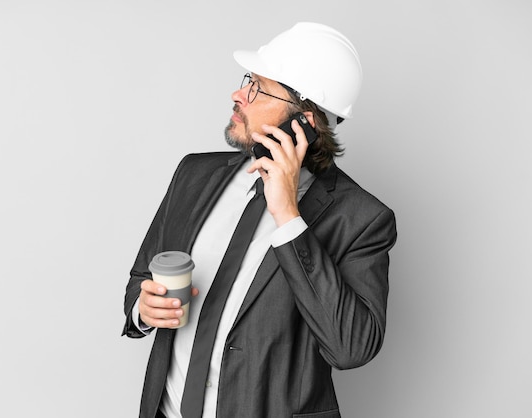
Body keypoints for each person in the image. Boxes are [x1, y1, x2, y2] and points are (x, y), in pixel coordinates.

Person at [122, 22, 397, 418]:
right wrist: (143, 310)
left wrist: (287, 214)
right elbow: (140, 278)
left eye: (257, 89)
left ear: (304, 121)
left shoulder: (361, 220)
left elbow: (350, 348)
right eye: (248, 80)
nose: (238, 95)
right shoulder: (193, 175)